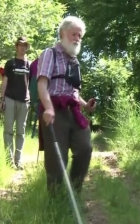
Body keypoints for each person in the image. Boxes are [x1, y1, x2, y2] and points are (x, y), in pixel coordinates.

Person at [37, 16, 96, 197]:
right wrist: (48, 108)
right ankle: (55, 202)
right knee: (56, 160)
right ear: (63, 33)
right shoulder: (50, 53)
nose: (77, 38)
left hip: (74, 112)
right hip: (54, 112)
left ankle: (74, 191)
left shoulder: (74, 61)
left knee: (85, 148)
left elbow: (73, 92)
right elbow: (42, 84)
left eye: (80, 35)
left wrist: (86, 106)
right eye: (74, 34)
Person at [0, 36, 31, 170]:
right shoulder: (10, 63)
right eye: (20, 45)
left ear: (26, 48)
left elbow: (32, 82)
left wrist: (31, 96)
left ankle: (18, 161)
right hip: (10, 99)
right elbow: (5, 81)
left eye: (24, 45)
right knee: (8, 131)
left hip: (24, 101)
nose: (22, 47)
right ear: (16, 47)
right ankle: (9, 161)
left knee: (21, 132)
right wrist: (1, 99)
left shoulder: (29, 64)